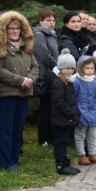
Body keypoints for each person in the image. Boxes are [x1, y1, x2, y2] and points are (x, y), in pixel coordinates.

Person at [0, 11, 40, 172]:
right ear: (4, 30)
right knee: (5, 129)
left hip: (23, 93)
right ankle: (5, 161)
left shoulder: (26, 46)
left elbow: (35, 66)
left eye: (17, 28)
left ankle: (14, 158)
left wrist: (30, 79)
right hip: (5, 94)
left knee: (17, 129)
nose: (14, 31)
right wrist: (20, 80)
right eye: (11, 29)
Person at [49, 50, 81, 175]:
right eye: (67, 68)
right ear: (61, 68)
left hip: (67, 118)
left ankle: (66, 162)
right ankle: (61, 165)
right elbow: (59, 102)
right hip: (60, 118)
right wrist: (71, 113)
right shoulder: (57, 83)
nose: (70, 71)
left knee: (65, 142)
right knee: (60, 142)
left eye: (72, 68)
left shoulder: (69, 82)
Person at [73, 55, 96, 166]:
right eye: (87, 68)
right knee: (80, 135)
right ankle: (81, 155)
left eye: (92, 68)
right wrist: (76, 111)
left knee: (92, 135)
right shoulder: (76, 82)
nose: (89, 70)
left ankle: (92, 154)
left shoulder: (95, 83)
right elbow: (73, 98)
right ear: (81, 68)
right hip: (81, 112)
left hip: (93, 112)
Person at [33, 8, 60, 146]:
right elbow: (44, 55)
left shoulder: (52, 35)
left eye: (53, 20)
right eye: (48, 20)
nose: (51, 23)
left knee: (51, 106)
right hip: (45, 74)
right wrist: (57, 67)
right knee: (45, 107)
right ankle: (43, 138)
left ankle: (50, 136)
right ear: (41, 21)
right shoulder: (39, 34)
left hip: (52, 74)